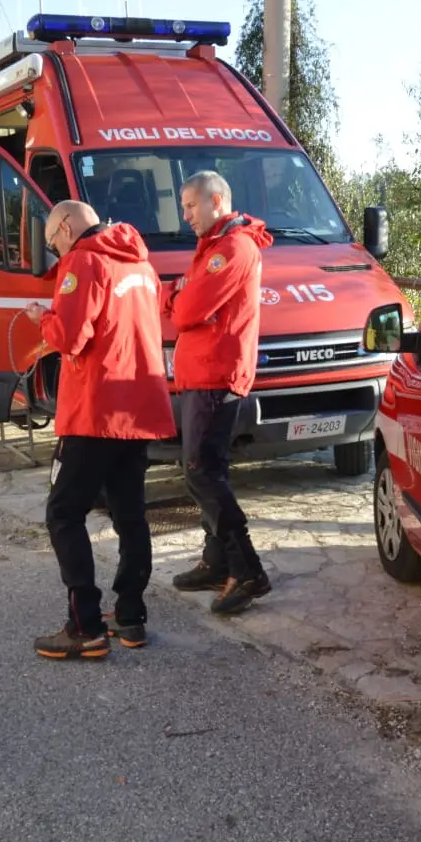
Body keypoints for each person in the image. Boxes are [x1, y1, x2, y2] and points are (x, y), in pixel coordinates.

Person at [22, 201, 174, 659]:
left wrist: (43, 319)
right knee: (130, 515)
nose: (55, 251)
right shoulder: (141, 265)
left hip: (95, 409)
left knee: (63, 513)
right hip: (139, 407)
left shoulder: (83, 262)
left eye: (53, 242)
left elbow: (70, 337)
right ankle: (131, 616)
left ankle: (84, 625)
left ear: (66, 226)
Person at [161, 170, 272, 615]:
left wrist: (180, 297)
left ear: (217, 201)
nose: (185, 215)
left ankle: (247, 570)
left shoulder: (232, 248)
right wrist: (181, 295)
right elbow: (182, 298)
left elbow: (187, 309)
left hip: (215, 374)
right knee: (205, 470)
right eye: (184, 206)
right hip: (202, 373)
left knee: (202, 473)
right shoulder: (213, 247)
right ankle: (216, 562)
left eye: (191, 205)